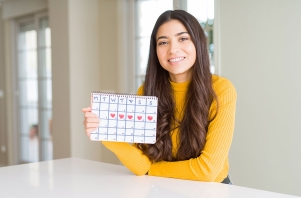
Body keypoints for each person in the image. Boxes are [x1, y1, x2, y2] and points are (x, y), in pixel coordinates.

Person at [82, 10, 237, 184]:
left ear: (198, 43)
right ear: (155, 50)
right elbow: (141, 166)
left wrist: (152, 169)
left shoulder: (221, 90)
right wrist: (104, 131)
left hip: (213, 191)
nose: (173, 49)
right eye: (163, 42)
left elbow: (208, 170)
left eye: (183, 38)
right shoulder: (146, 92)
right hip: (163, 186)